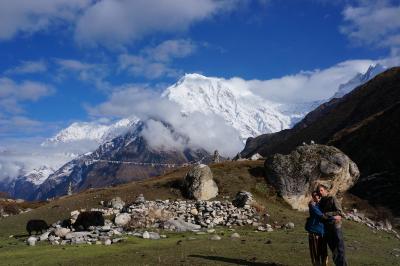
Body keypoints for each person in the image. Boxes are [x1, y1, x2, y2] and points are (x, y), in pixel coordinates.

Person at [317, 184, 347, 266]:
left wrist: (326, 214)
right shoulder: (321, 202)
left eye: (321, 190)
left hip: (335, 226)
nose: (320, 192)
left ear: (326, 190)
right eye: (318, 191)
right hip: (327, 228)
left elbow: (339, 212)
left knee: (340, 248)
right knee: (333, 249)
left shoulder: (332, 198)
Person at [305, 191, 328, 266]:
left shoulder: (322, 204)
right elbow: (320, 214)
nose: (316, 197)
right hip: (314, 230)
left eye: (317, 195)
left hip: (322, 231)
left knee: (324, 252)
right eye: (314, 196)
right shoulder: (312, 205)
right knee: (315, 252)